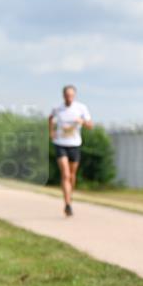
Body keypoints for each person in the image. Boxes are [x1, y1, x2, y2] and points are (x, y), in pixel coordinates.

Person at [49, 85, 93, 217]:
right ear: (63, 96)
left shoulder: (81, 108)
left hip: (74, 144)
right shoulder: (57, 108)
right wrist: (51, 132)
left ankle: (69, 196)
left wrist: (82, 121)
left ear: (74, 96)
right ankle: (67, 204)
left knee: (72, 176)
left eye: (71, 95)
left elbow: (90, 125)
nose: (69, 97)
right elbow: (50, 118)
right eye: (67, 95)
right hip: (60, 144)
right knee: (66, 175)